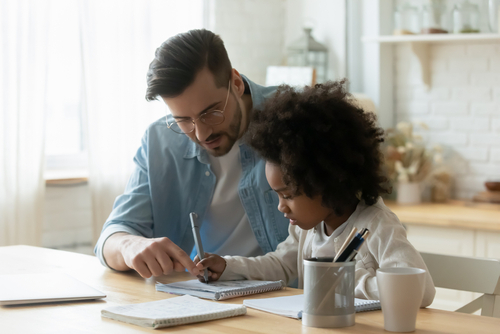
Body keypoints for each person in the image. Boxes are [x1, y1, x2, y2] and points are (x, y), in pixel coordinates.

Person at [194, 81, 436, 305]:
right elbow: (280, 265)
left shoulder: (376, 224)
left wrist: (346, 281)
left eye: (288, 195)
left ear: (325, 180)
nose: (281, 206)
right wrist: (227, 266)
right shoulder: (305, 229)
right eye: (277, 195)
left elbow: (422, 290)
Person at [94, 29, 290, 278]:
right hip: (198, 298)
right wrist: (129, 244)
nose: (201, 133)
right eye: (183, 120)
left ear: (237, 84)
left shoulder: (296, 118)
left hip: (284, 300)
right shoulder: (159, 141)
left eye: (211, 112)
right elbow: (112, 237)